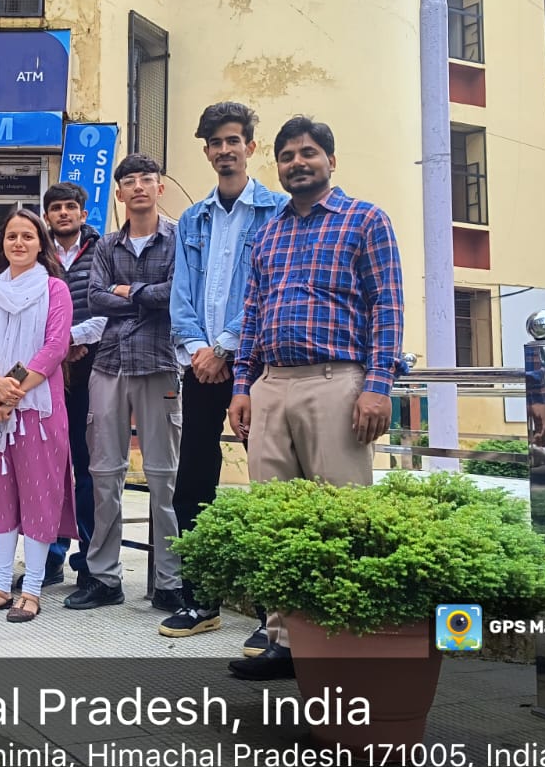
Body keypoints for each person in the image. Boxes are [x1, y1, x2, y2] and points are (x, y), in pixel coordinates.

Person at [226, 116, 405, 678]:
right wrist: (242, 386)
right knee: (276, 520)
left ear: (331, 160)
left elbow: (387, 306)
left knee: (342, 518)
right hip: (271, 384)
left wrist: (378, 386)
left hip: (336, 383)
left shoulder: (365, 220)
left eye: (308, 153)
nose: (297, 163)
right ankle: (284, 641)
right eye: (287, 156)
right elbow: (252, 313)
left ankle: (345, 643)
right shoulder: (267, 234)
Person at [163, 102, 288, 645]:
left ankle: (271, 618)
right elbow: (181, 295)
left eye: (233, 140)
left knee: (267, 482)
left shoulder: (278, 211)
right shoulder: (193, 219)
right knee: (192, 482)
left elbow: (270, 288)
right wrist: (199, 350)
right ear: (207, 151)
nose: (224, 150)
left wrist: (225, 347)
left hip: (256, 364)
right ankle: (199, 600)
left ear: (250, 147)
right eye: (215, 142)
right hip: (200, 367)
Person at [67, 153, 182, 611]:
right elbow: (95, 298)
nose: (138, 187)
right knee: (104, 475)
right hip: (109, 365)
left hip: (159, 363)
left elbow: (177, 294)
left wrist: (127, 292)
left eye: (146, 179)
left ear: (159, 188)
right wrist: (146, 298)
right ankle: (104, 577)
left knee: (164, 477)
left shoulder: (179, 238)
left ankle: (170, 581)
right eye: (129, 181)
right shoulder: (106, 245)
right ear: (118, 193)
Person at [0, 209, 75, 623]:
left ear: (41, 243)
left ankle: (31, 590)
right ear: (2, 244)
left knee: (39, 496)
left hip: (37, 410)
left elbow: (55, 346)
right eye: (12, 236)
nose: (19, 243)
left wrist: (12, 393)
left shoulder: (54, 289)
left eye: (28, 236)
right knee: (0, 497)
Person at [32, 182, 104, 591]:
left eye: (70, 207)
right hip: (46, 372)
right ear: (47, 215)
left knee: (87, 464)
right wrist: (55, 348)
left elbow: (110, 305)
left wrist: (72, 339)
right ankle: (49, 557)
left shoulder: (104, 250)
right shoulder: (36, 254)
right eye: (56, 207)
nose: (63, 213)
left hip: (92, 366)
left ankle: (91, 561)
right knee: (49, 466)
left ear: (83, 213)